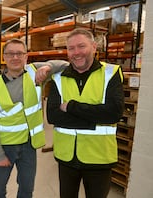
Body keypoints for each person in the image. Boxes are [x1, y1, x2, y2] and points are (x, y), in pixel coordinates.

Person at [0, 38, 68, 198]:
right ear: (4, 57)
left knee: (27, 189)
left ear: (26, 56)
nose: (15, 57)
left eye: (19, 53)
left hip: (29, 145)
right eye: (10, 54)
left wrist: (48, 66)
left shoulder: (34, 72)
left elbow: (65, 65)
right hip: (5, 147)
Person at [46, 28, 124, 198]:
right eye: (71, 48)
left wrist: (72, 107)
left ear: (94, 47)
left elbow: (114, 113)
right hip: (67, 159)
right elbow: (52, 116)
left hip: (99, 158)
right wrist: (94, 119)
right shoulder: (59, 77)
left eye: (81, 46)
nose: (76, 52)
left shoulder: (110, 73)